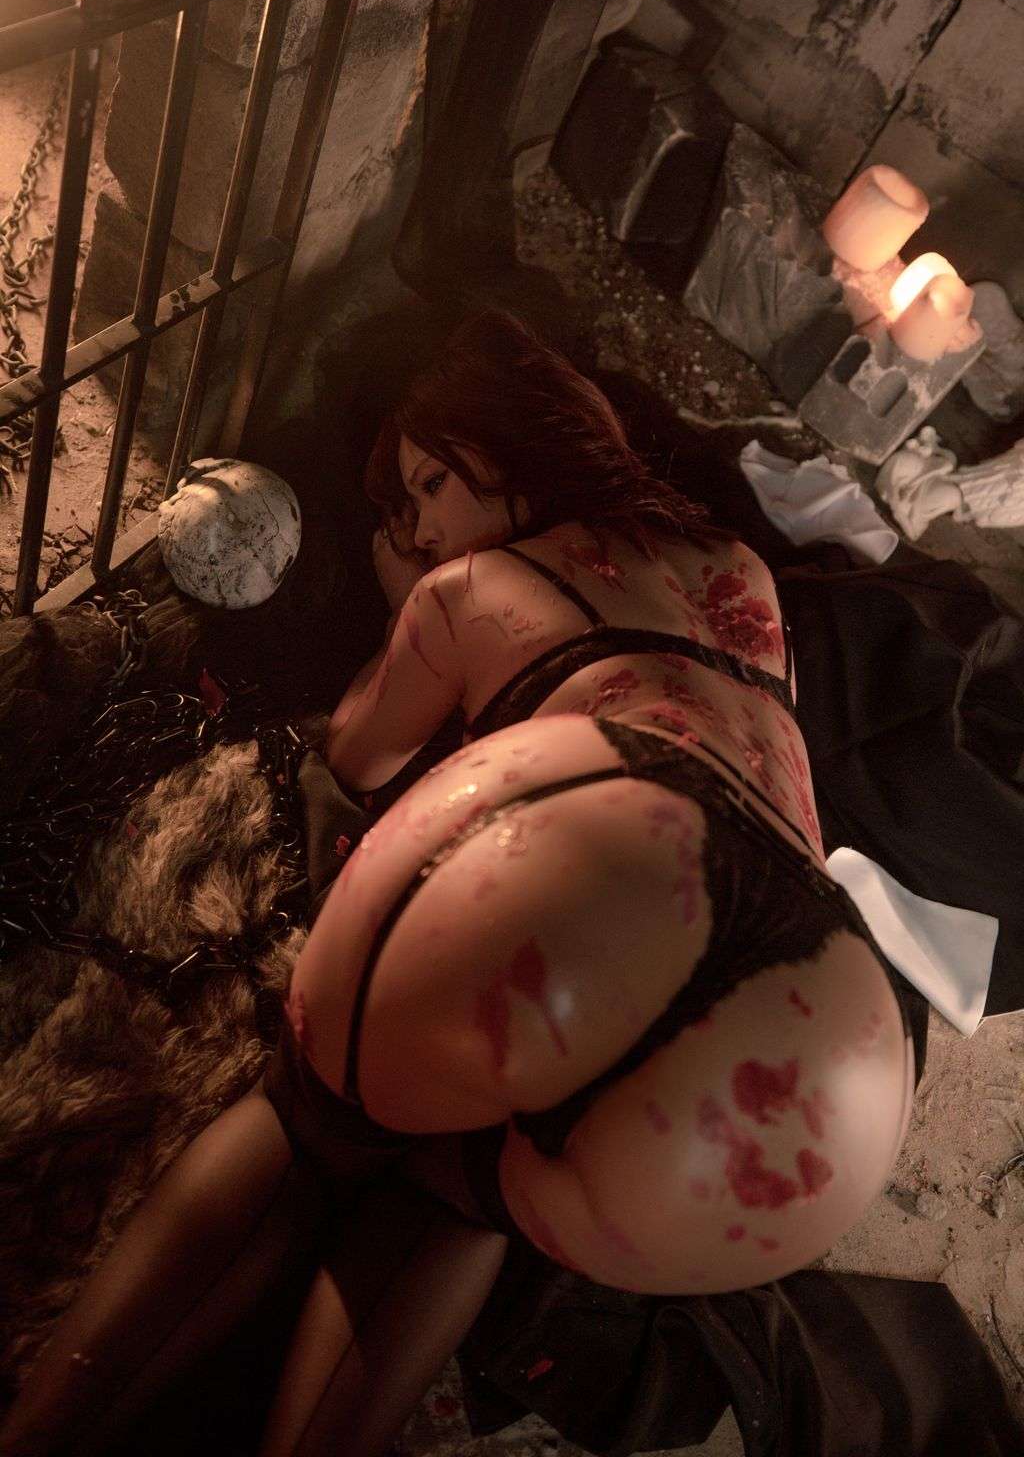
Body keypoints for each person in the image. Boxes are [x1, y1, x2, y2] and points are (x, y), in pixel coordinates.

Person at [0, 309, 917, 1456]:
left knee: (307, 1124)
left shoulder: (473, 585)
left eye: (430, 484)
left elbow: (355, 758)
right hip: (825, 1046)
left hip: (609, 833)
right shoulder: (742, 571)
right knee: (463, 1192)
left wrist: (409, 603)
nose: (422, 524)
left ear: (507, 446)